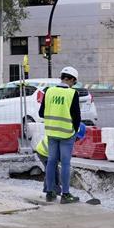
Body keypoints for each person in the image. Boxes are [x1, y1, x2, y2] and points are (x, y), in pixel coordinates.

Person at [39, 66, 82, 204]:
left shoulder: (49, 91)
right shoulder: (72, 94)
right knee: (65, 164)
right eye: (74, 82)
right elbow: (77, 118)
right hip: (66, 134)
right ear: (72, 80)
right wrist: (74, 132)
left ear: (62, 77)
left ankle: (50, 193)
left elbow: (41, 113)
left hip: (51, 132)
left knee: (51, 162)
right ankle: (66, 195)